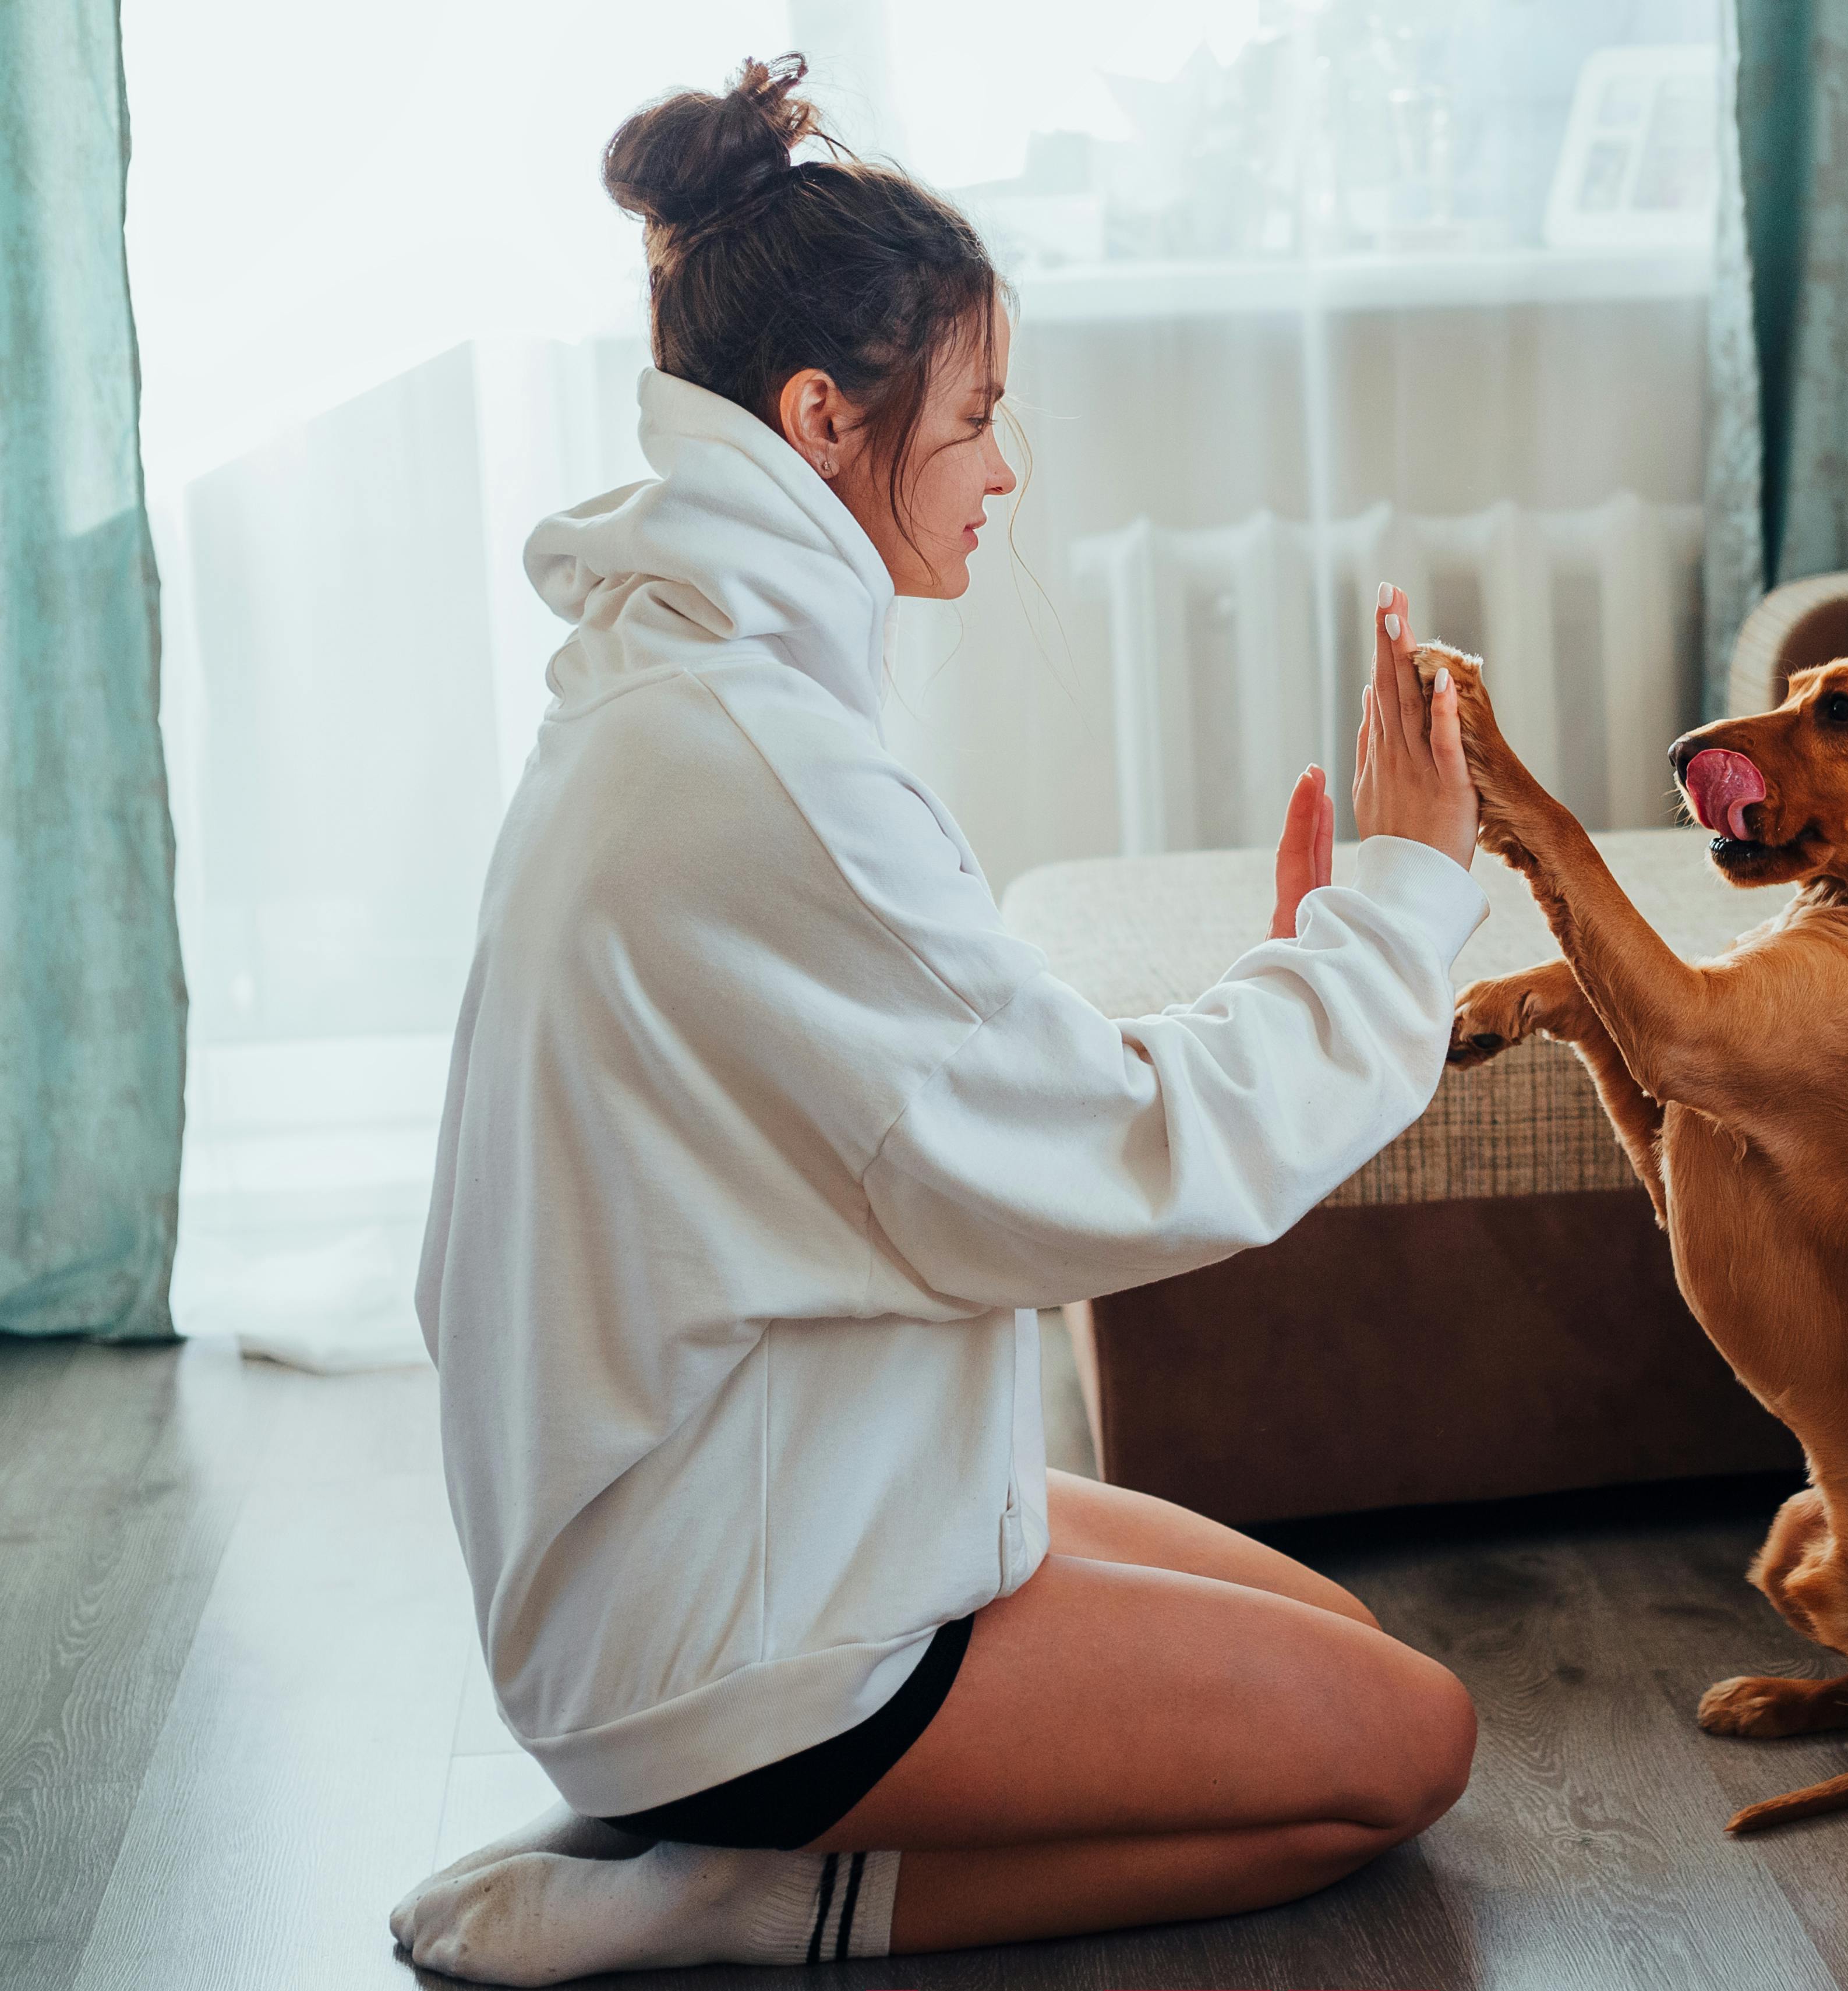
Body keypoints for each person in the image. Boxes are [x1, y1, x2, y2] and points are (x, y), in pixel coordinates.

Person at [390, 56, 1485, 1985]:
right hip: (728, 1646)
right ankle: (744, 1890)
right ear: (822, 420)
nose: (1010, 468)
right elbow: (1117, 1164)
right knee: (1405, 1750)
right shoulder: (755, 768)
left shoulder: (694, 692)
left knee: (1352, 1654)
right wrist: (1396, 912)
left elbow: (977, 1097)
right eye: (979, 415)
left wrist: (1301, 963)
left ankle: (742, 1831)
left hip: (736, 1505)